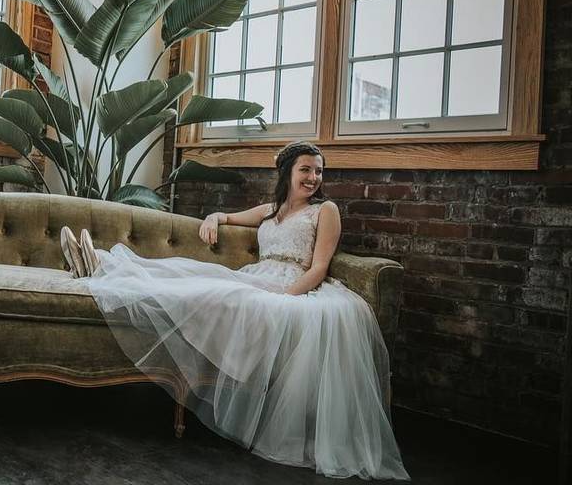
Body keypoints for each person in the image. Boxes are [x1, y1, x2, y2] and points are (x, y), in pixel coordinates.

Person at [60, 141, 410, 480]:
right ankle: (99, 264)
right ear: (288, 172)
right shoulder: (272, 210)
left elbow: (319, 268)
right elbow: (226, 215)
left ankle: (100, 266)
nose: (313, 177)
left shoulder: (325, 211)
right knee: (192, 279)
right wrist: (214, 218)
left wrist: (287, 297)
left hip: (295, 285)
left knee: (217, 295)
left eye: (318, 171)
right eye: (305, 169)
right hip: (259, 276)